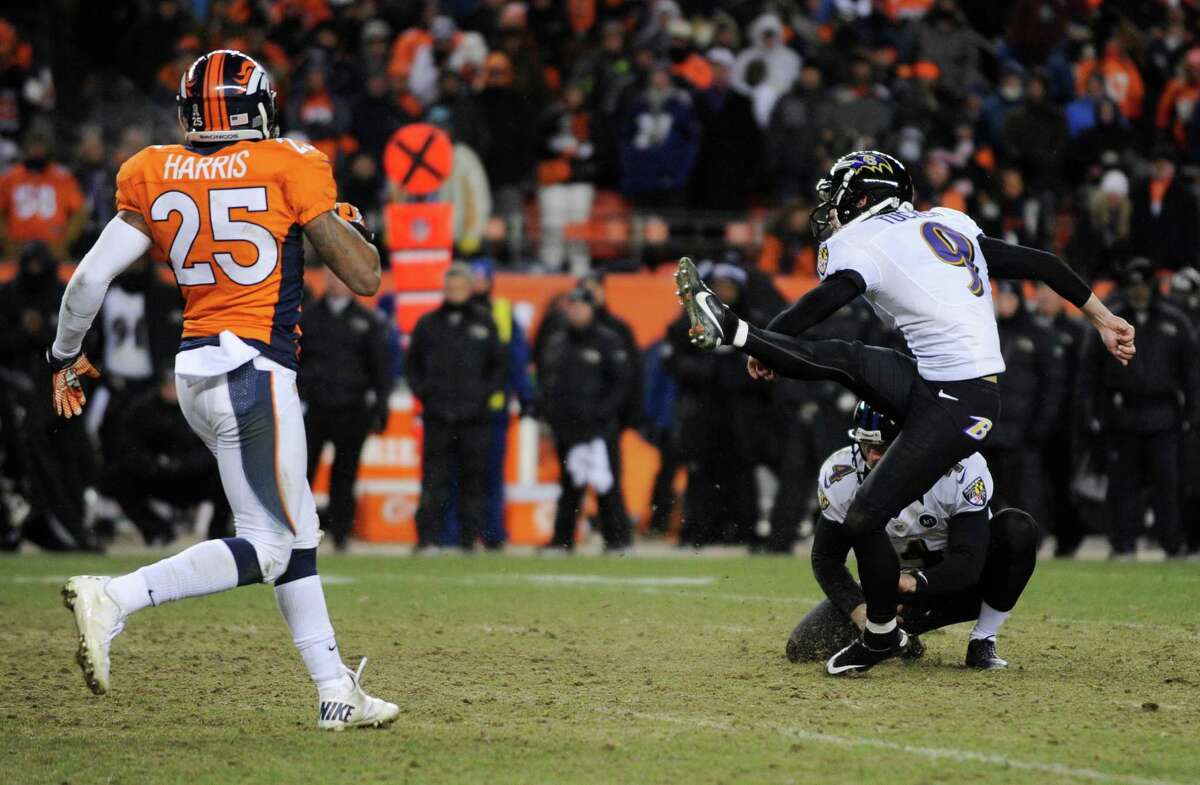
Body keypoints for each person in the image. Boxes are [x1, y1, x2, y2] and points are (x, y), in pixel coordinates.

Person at [675, 149, 1133, 675]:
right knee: (846, 358)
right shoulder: (943, 225)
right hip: (942, 383)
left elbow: (830, 297)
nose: (830, 211)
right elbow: (1044, 264)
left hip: (959, 402)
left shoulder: (865, 239)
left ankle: (880, 638)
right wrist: (1102, 318)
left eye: (838, 199)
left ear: (863, 197)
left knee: (865, 514)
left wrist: (772, 339)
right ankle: (738, 332)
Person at [50, 50, 398, 729]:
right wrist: (324, 212)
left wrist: (63, 354)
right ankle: (116, 595)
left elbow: (88, 281)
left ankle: (334, 689)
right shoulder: (291, 163)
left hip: (194, 374)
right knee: (269, 545)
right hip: (253, 370)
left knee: (297, 528)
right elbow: (365, 277)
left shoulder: (151, 170)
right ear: (259, 108)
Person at [786, 402, 1038, 671]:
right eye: (866, 445)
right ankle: (898, 638)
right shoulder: (842, 476)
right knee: (804, 648)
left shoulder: (960, 469)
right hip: (889, 590)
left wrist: (914, 583)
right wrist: (862, 612)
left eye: (883, 448)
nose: (872, 457)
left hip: (958, 585)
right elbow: (826, 558)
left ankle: (983, 640)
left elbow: (968, 561)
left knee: (1017, 529)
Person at [1079, 259, 1200, 559]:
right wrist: (1090, 411)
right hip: (1122, 414)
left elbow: (1192, 374)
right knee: (1122, 485)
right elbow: (1089, 371)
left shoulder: (1175, 321)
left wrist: (1192, 415)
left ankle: (1172, 544)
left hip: (1164, 415)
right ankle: (1122, 544)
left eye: (1144, 285)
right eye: (1134, 286)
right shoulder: (1110, 319)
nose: (1139, 292)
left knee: (1168, 485)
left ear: (1153, 286)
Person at [407, 263, 506, 551]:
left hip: (475, 418)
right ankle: (427, 538)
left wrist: (482, 398)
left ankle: (468, 538)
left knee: (474, 479)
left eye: (460, 287)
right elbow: (412, 365)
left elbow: (499, 367)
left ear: (469, 289)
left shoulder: (485, 322)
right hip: (438, 416)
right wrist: (426, 394)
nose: (455, 292)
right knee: (434, 478)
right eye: (450, 287)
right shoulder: (428, 324)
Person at [300, 266, 393, 551]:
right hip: (314, 407)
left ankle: (341, 533)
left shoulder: (368, 321)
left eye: (341, 276)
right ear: (324, 279)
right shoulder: (308, 317)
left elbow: (381, 370)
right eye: (332, 276)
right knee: (302, 472)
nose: (337, 282)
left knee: (345, 474)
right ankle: (297, 532)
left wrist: (380, 408)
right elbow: (294, 361)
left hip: (352, 408)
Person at [537, 286, 631, 551]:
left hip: (600, 428)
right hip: (567, 428)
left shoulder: (608, 340)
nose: (576, 311)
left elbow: (621, 384)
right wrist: (552, 416)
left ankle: (618, 540)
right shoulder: (557, 342)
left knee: (607, 485)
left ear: (592, 308)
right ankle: (562, 540)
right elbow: (548, 383)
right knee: (569, 487)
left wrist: (603, 415)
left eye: (581, 306)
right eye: (572, 306)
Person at [102, 370, 230, 544]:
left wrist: (182, 464)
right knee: (117, 478)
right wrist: (156, 465)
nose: (172, 390)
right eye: (168, 385)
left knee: (227, 476)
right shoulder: (142, 410)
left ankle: (218, 535)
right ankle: (157, 531)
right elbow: (129, 448)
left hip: (193, 476)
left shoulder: (201, 407)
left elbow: (214, 448)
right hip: (156, 475)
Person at [984, 280, 1064, 527]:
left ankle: (1031, 538)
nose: (1005, 304)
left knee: (1026, 490)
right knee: (988, 489)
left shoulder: (1038, 335)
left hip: (1024, 430)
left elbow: (1052, 386)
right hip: (991, 429)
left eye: (1010, 299)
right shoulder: (988, 332)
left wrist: (1041, 424)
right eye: (1002, 299)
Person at [0, 128, 85, 260]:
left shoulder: (63, 178)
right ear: (25, 148)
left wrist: (65, 241)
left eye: (40, 146)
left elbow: (79, 212)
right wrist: (6, 241)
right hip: (17, 249)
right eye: (33, 146)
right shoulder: (10, 178)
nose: (37, 151)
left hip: (53, 249)